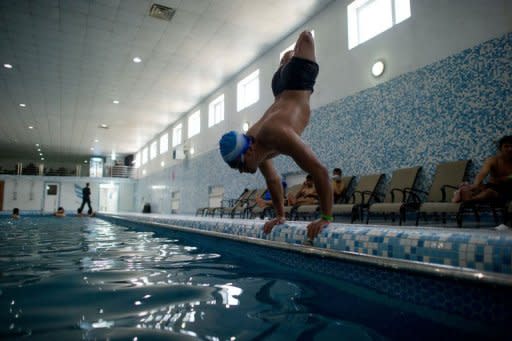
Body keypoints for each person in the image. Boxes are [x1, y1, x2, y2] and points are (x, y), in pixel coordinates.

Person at [219, 31, 332, 242]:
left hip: (297, 81)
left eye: (241, 166)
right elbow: (272, 179)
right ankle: (286, 60)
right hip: (280, 87)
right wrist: (280, 216)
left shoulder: (276, 133)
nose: (243, 171)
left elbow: (319, 170)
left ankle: (290, 56)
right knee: (288, 59)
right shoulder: (254, 144)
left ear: (249, 150)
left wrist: (325, 217)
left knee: (306, 37)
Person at [455, 135, 512, 203]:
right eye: (506, 146)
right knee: (479, 187)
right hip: (493, 186)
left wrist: (508, 178)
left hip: (508, 190)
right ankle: (464, 195)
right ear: (500, 148)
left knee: (489, 192)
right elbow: (482, 173)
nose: (510, 149)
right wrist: (476, 184)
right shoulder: (493, 160)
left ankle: (471, 200)